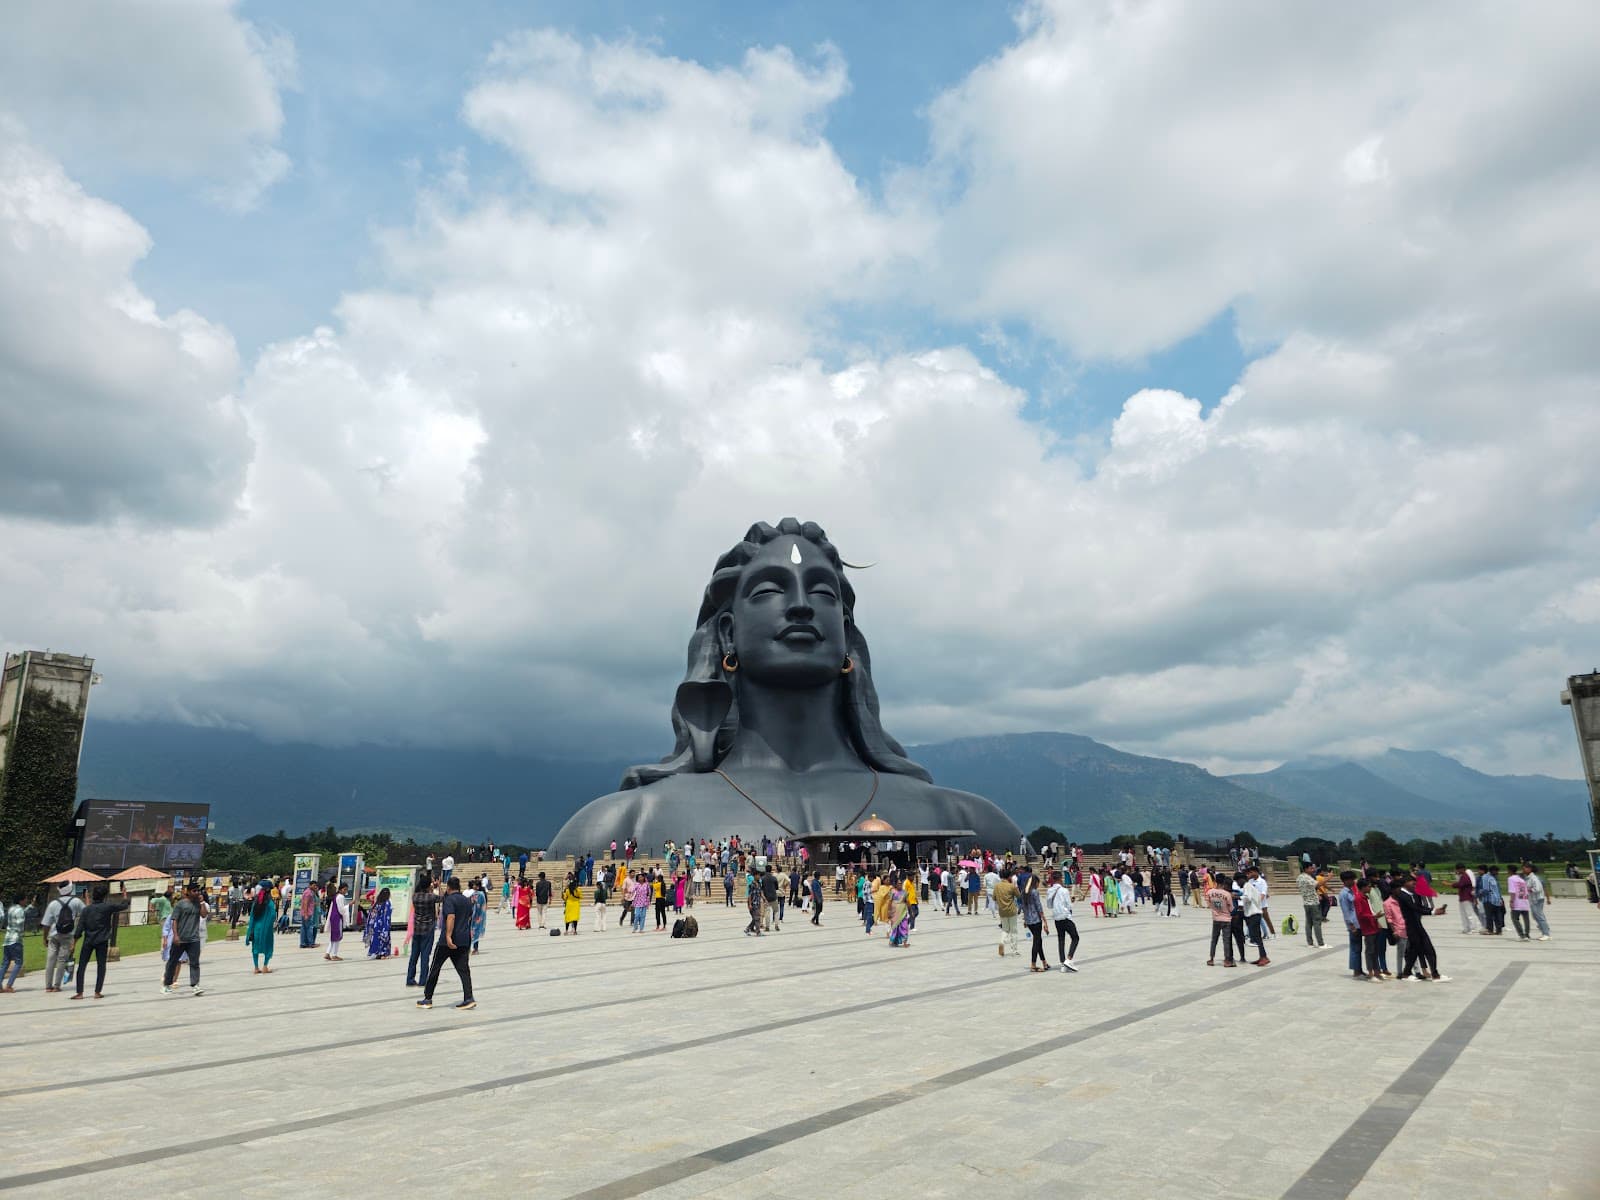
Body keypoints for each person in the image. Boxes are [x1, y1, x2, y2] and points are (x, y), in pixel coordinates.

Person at [416, 877, 475, 1011]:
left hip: (447, 942)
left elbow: (451, 917)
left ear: (449, 887)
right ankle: (468, 998)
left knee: (435, 968)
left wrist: (448, 936)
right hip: (464, 940)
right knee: (464, 970)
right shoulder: (466, 901)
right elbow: (469, 916)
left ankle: (428, 998)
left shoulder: (449, 900)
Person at [162, 882, 207, 996]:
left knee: (195, 963)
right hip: (180, 939)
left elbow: (203, 915)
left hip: (194, 939)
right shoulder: (181, 904)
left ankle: (195, 985)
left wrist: (201, 902)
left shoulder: (198, 904)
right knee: (173, 961)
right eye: (194, 891)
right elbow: (174, 920)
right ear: (188, 891)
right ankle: (167, 984)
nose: (197, 893)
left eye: (198, 891)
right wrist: (176, 935)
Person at [39, 883, 84, 993]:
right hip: (68, 935)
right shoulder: (76, 901)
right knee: (62, 960)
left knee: (50, 960)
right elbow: (86, 912)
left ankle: (48, 986)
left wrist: (44, 938)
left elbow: (46, 924)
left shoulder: (53, 904)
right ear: (70, 889)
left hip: (54, 935)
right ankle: (56, 986)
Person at [407, 876, 439, 987]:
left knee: (414, 955)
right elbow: (444, 898)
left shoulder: (415, 897)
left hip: (417, 929)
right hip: (428, 929)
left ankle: (410, 978)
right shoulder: (430, 897)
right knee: (425, 956)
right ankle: (423, 980)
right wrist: (438, 886)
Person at [1044, 870, 1079, 972]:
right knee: (1075, 937)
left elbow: (1049, 905)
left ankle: (1063, 964)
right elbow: (1068, 906)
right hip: (1065, 917)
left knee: (1061, 939)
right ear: (1060, 879)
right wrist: (1072, 903)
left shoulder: (1050, 891)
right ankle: (1069, 959)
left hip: (1056, 918)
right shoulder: (1064, 890)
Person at [1205, 872, 1236, 966]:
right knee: (1226, 940)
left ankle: (1211, 959)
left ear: (1215, 881)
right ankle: (1227, 960)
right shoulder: (1227, 894)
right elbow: (1231, 908)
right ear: (1224, 882)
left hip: (1216, 919)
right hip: (1226, 919)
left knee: (1214, 939)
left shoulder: (1209, 892)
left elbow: (1208, 904)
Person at [246, 884, 277, 973]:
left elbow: (252, 916)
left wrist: (250, 930)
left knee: (255, 948)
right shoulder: (270, 903)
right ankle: (265, 967)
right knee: (268, 947)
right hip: (266, 929)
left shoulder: (256, 902)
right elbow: (272, 915)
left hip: (256, 928)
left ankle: (256, 968)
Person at [1020, 870, 1047, 972]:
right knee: (1037, 941)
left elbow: (1023, 907)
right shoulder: (1034, 892)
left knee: (1038, 940)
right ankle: (1033, 964)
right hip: (1036, 920)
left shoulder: (1023, 892)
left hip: (1029, 921)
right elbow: (1039, 907)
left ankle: (1044, 962)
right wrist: (1045, 920)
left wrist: (1025, 919)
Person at [1296, 862, 1326, 949]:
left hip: (1306, 903)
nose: (1313, 870)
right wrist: (1328, 878)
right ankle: (1321, 943)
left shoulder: (1299, 877)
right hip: (1313, 903)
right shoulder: (1307, 877)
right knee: (1317, 922)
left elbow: (1309, 888)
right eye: (1311, 868)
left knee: (1308, 923)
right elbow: (1318, 884)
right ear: (1305, 869)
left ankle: (1310, 943)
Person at [2, 892, 27, 992]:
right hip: (16, 939)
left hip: (7, 939)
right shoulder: (20, 910)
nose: (26, 900)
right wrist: (22, 932)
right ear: (21, 900)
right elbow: (20, 923)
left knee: (5, 963)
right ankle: (9, 985)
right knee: (18, 962)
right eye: (25, 899)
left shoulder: (11, 909)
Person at [994, 865, 1020, 958]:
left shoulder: (997, 886)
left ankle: (1002, 942)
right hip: (1011, 910)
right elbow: (1018, 896)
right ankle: (1014, 950)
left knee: (1005, 929)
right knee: (1013, 930)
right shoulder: (1011, 886)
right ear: (1009, 876)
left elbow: (994, 898)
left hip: (1002, 911)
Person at [1522, 864, 1552, 940]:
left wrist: (1528, 890)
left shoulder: (1534, 878)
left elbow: (1537, 888)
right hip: (1533, 899)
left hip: (1537, 899)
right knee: (1536, 916)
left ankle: (1546, 934)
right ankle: (1544, 931)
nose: (1523, 870)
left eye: (1525, 868)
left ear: (1530, 869)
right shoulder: (1528, 878)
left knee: (1539, 916)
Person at [365, 887, 393, 960]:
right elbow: (387, 914)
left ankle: (375, 952)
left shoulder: (377, 902)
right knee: (384, 937)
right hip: (383, 923)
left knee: (376, 938)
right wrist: (387, 925)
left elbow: (372, 913)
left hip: (376, 923)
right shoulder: (387, 902)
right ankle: (383, 953)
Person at [325, 883, 349, 960]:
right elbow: (341, 910)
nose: (345, 891)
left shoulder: (336, 896)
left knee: (333, 936)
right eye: (344, 889)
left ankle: (327, 953)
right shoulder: (341, 897)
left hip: (333, 917)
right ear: (340, 889)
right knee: (337, 936)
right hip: (337, 918)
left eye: (346, 889)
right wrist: (349, 905)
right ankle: (334, 955)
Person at [1507, 867, 1532, 940]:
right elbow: (1527, 892)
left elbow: (1512, 891)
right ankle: (1527, 934)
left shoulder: (1511, 879)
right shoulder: (1522, 880)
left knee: (1514, 918)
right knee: (1526, 919)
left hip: (1517, 902)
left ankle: (1522, 935)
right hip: (1524, 901)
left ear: (1510, 871)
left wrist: (1511, 901)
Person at [469, 882, 487, 954]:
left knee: (476, 932)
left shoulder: (481, 894)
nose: (473, 886)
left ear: (478, 886)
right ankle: (469, 948)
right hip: (472, 916)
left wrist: (481, 916)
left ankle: (475, 949)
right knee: (471, 932)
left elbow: (483, 905)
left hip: (478, 917)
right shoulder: (472, 894)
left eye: (475, 885)